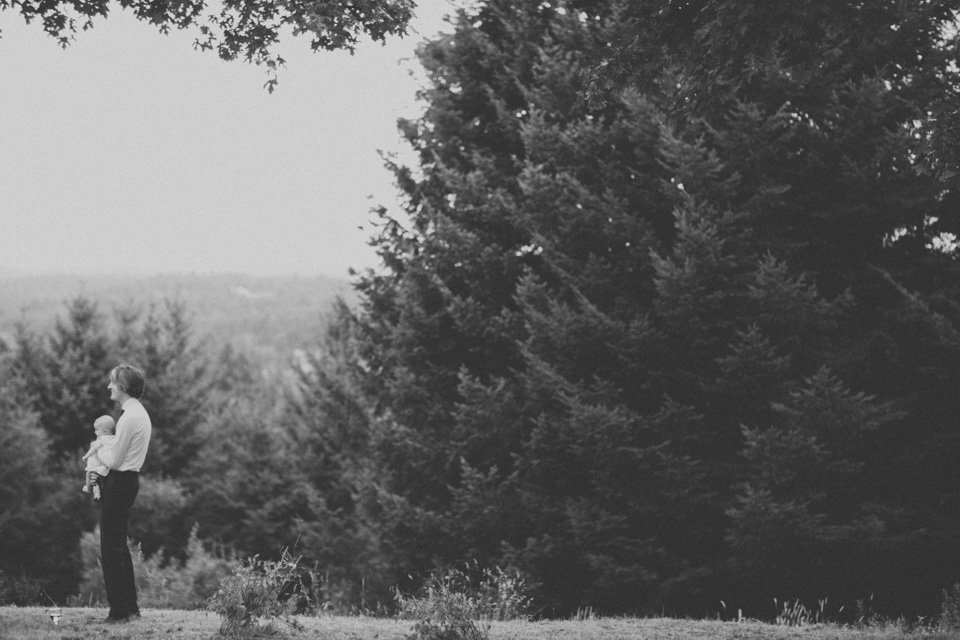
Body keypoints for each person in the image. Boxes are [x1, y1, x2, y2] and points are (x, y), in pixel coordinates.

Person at [88, 364, 152, 624]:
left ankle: (119, 611)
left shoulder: (129, 417)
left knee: (111, 548)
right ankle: (129, 608)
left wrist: (97, 449)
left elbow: (114, 459)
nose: (109, 386)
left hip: (119, 482)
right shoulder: (137, 413)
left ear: (124, 387)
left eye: (113, 382)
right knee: (119, 546)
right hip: (127, 481)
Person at [81, 415, 116, 500]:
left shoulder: (101, 439)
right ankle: (98, 492)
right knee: (98, 480)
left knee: (89, 475)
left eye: (97, 430)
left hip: (96, 465)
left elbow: (94, 449)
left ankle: (88, 488)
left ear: (105, 431)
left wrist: (86, 456)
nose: (95, 432)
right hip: (105, 466)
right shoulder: (114, 439)